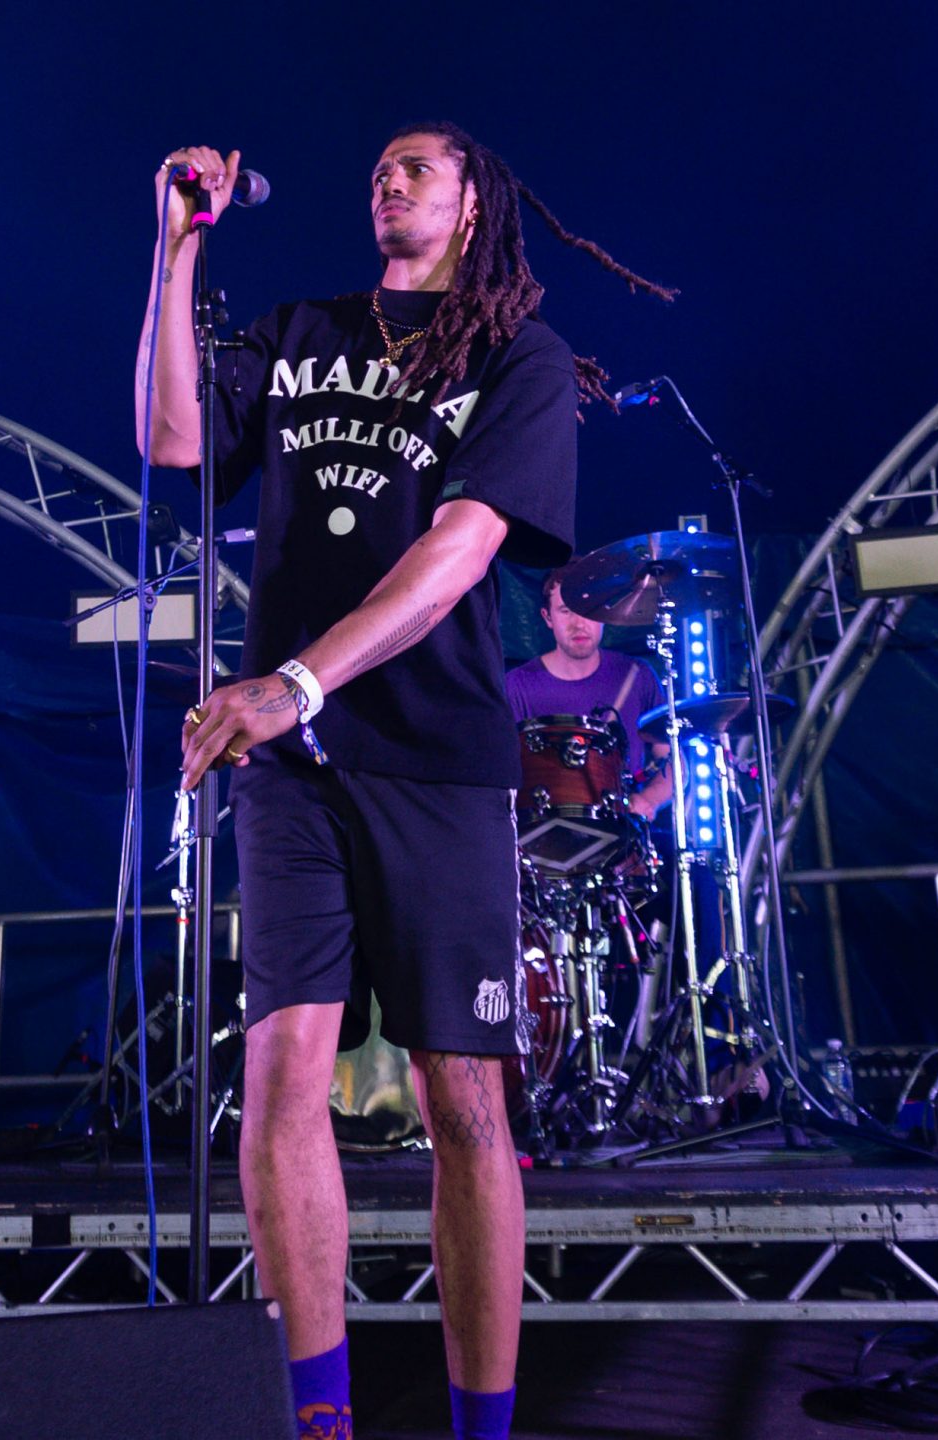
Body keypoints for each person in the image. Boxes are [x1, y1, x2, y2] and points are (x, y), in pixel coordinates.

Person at [137, 123, 671, 1440]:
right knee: (282, 1079)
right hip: (292, 768)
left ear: (475, 199)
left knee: (462, 1098)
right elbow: (170, 439)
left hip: (433, 756)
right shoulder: (301, 329)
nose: (389, 178)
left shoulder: (517, 356)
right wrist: (173, 251)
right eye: (378, 167)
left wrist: (297, 679)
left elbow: (459, 549)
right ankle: (318, 1420)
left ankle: (481, 1427)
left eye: (419, 166)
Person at [506, 569, 673, 820]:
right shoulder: (517, 686)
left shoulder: (637, 676)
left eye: (588, 609)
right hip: (541, 832)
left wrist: (648, 800)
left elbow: (671, 759)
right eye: (566, 611)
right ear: (547, 617)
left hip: (622, 829)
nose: (579, 623)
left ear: (604, 614)